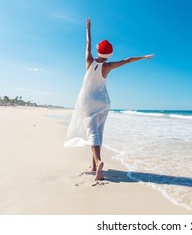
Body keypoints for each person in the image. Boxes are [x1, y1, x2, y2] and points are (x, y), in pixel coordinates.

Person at [65, 18, 154, 181]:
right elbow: (127, 60)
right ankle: (93, 165)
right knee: (98, 132)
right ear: (109, 54)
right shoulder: (108, 66)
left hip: (88, 101)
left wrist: (88, 29)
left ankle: (98, 162)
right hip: (104, 102)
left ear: (99, 51)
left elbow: (88, 44)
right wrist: (144, 57)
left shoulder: (89, 61)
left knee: (92, 132)